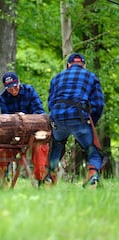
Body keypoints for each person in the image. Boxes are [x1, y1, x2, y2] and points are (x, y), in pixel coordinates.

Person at [47, 53, 105, 188]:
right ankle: (92, 176)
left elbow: (50, 103)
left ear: (68, 65)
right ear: (84, 65)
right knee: (92, 149)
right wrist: (92, 121)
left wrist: (56, 117)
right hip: (79, 118)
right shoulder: (91, 76)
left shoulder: (56, 77)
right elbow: (99, 104)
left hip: (58, 118)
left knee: (57, 145)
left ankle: (50, 176)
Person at [0, 72, 48, 187]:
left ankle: (42, 180)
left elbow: (40, 112)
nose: (13, 90)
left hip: (33, 131)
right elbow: (6, 118)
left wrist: (25, 118)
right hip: (14, 134)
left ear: (19, 82)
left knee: (40, 148)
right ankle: (0, 183)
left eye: (15, 86)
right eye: (9, 88)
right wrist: (16, 118)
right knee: (0, 152)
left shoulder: (29, 91)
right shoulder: (3, 97)